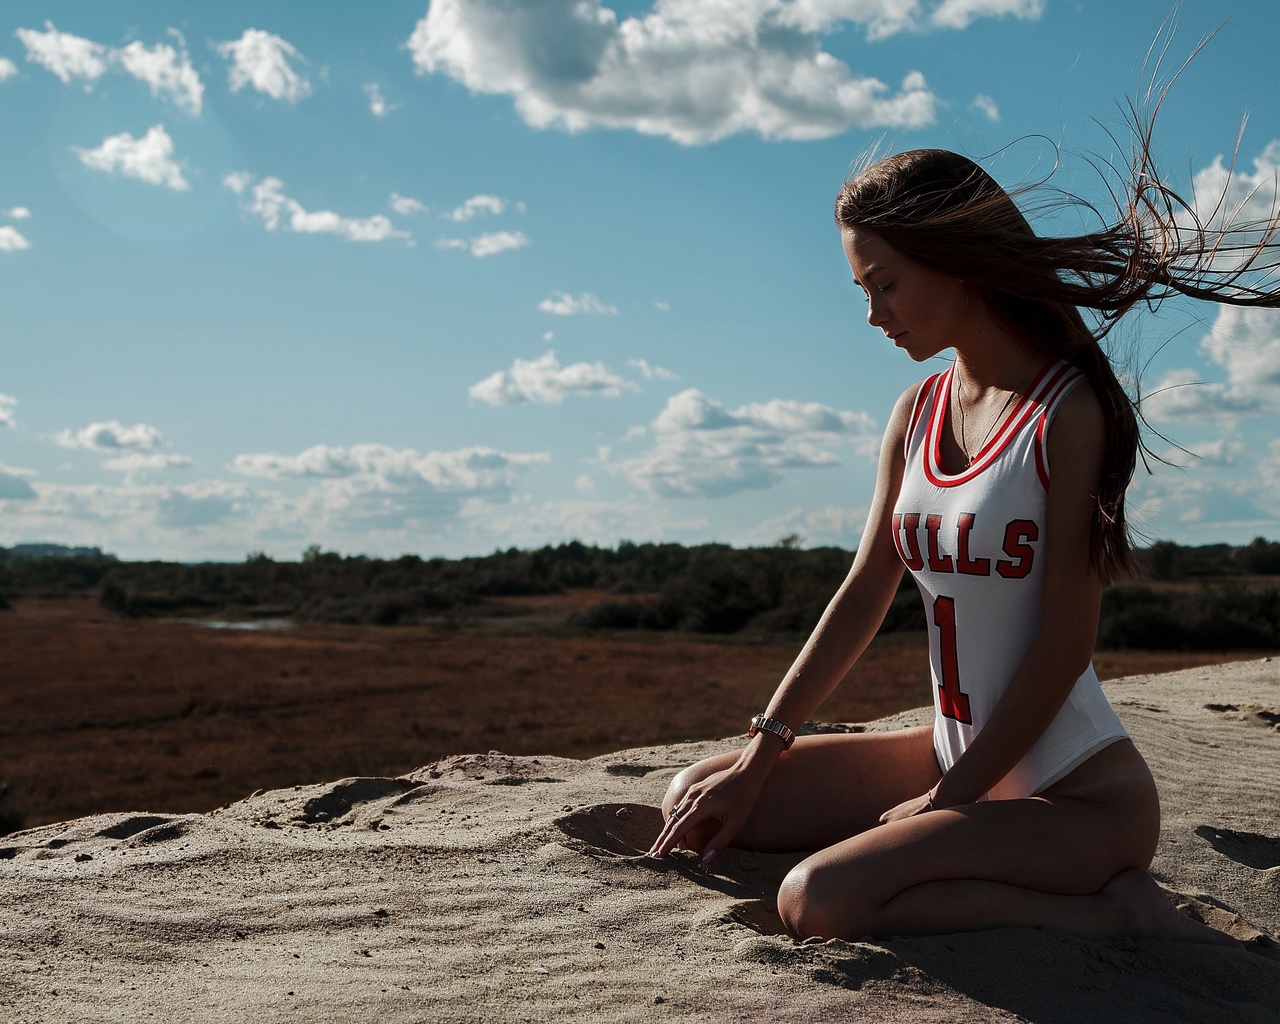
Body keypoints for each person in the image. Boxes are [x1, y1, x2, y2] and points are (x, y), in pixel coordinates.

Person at [647, 139, 1280, 944]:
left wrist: (952, 804)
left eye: (886, 284)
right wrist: (761, 752)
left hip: (1073, 795)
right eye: (861, 290)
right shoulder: (916, 410)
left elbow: (1064, 642)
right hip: (952, 755)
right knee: (695, 796)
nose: (874, 314)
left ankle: (1109, 912)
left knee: (817, 901)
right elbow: (864, 590)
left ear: (956, 258)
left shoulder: (1066, 412)